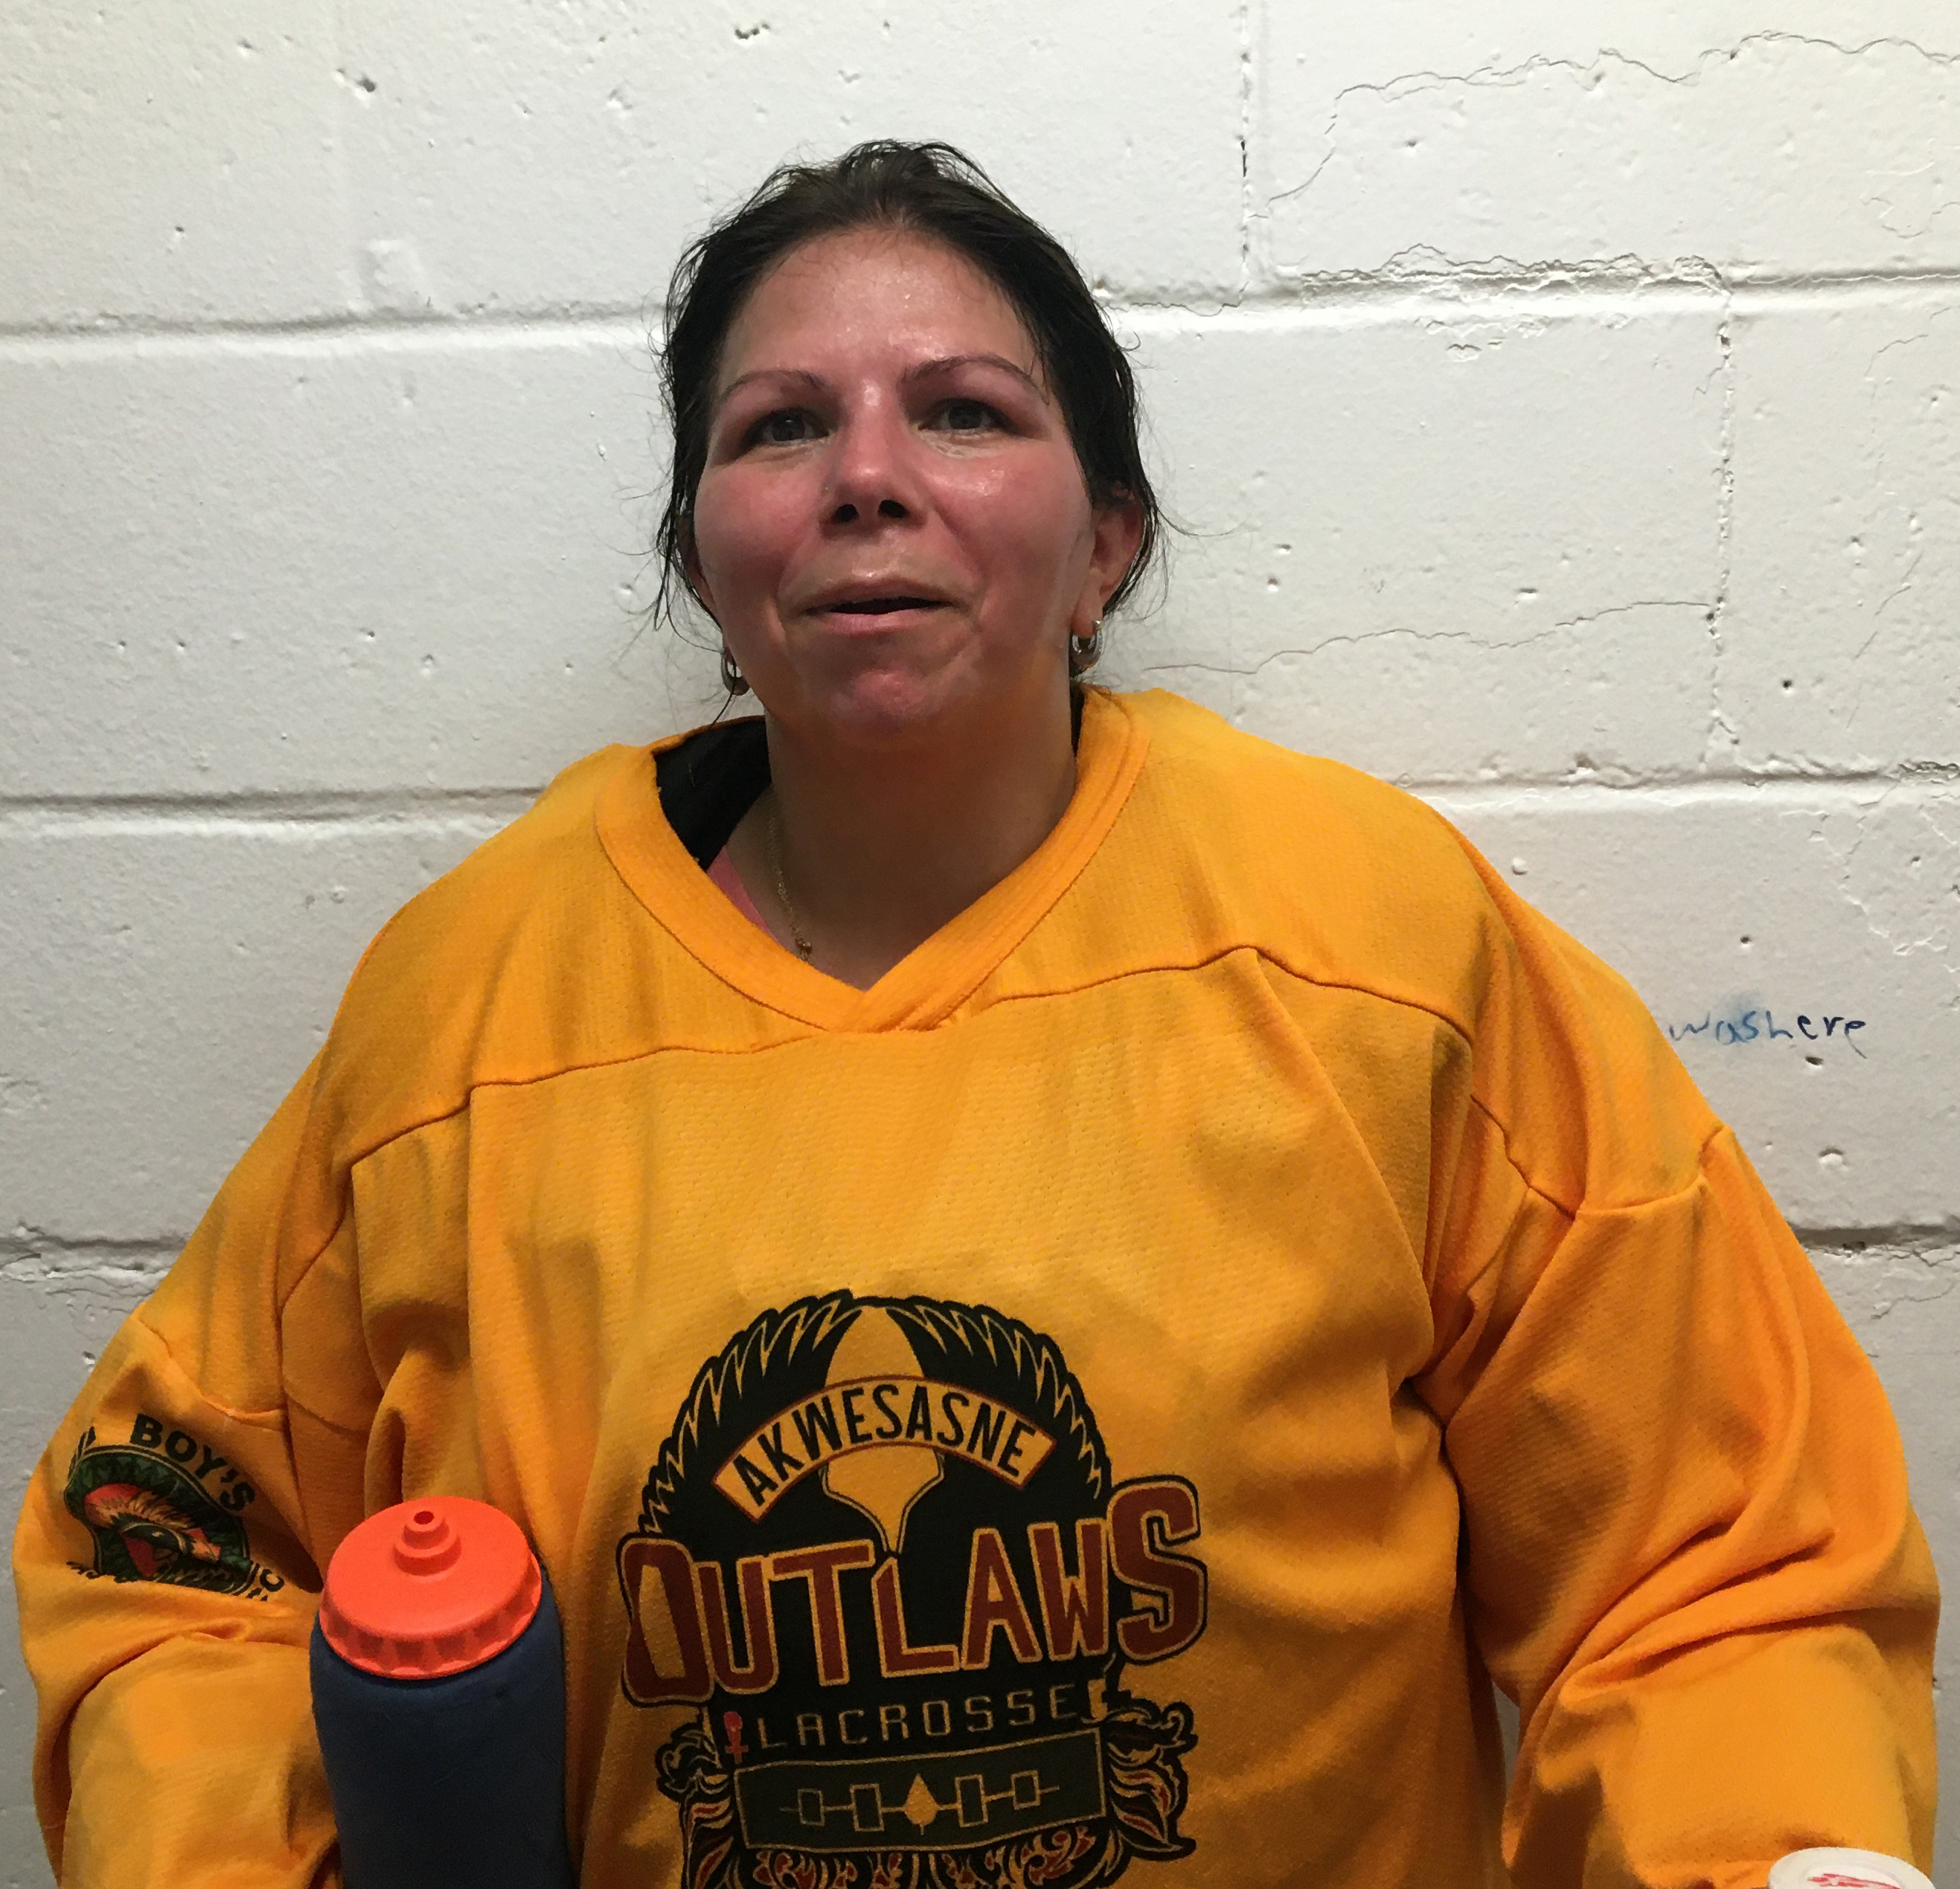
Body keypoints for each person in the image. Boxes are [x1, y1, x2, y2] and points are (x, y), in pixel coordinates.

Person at [13, 140, 1937, 1889]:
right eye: (781, 426)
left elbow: (1715, 1557)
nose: (867, 473)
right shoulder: (467, 1010)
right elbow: (171, 1555)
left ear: (1105, 543)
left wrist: (1775, 1851)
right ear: (704, 559)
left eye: (960, 410)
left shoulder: (1367, 947)